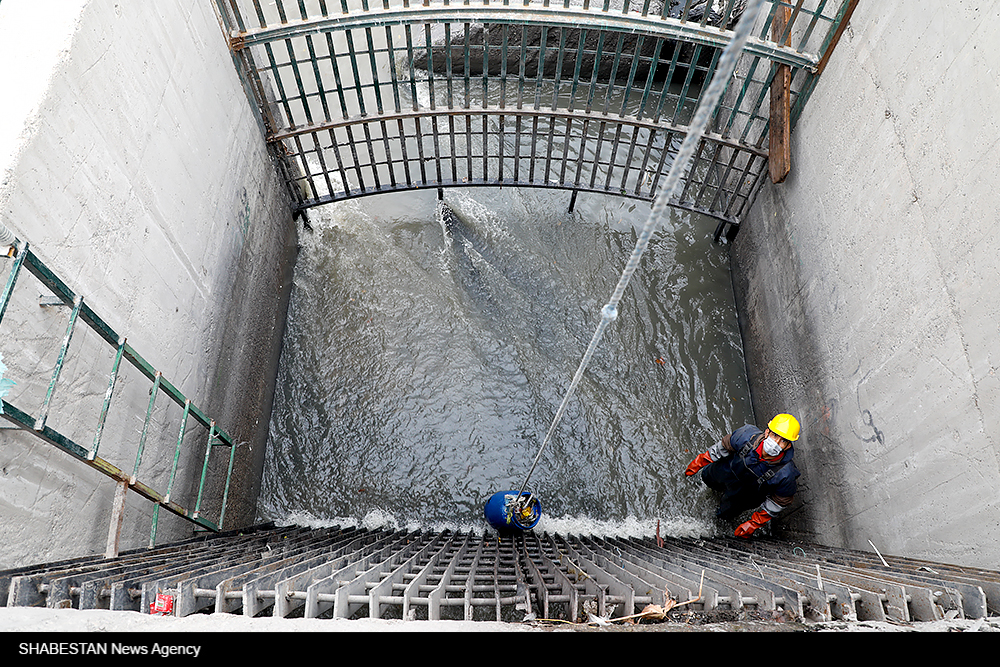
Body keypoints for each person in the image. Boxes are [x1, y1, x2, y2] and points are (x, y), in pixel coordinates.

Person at [684, 414, 801, 538]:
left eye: (783, 441)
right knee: (706, 477)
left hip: (743, 495)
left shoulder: (786, 474)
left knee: (723, 515)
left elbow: (780, 501)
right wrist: (700, 461)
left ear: (788, 445)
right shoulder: (746, 435)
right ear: (767, 432)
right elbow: (723, 447)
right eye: (775, 435)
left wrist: (754, 523)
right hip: (725, 471)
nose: (776, 442)